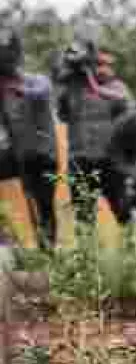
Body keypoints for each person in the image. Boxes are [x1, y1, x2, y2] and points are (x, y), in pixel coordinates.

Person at [54, 41, 135, 231]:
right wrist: (68, 76)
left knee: (123, 210)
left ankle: (135, 251)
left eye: (106, 65)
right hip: (80, 160)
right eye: (98, 65)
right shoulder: (71, 90)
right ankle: (87, 257)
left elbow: (129, 111)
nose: (103, 69)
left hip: (110, 161)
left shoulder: (117, 87)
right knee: (83, 217)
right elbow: (62, 114)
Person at [0, 28, 59, 251]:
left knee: (43, 207)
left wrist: (19, 90)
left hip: (44, 155)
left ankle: (48, 254)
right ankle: (3, 236)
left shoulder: (37, 81)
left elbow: (41, 91)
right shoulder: (2, 91)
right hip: (19, 154)